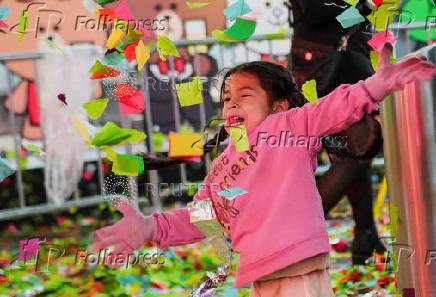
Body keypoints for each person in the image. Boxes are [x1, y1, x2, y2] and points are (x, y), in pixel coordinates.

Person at [91, 47, 435, 296]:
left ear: (278, 105)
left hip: (298, 265)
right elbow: (201, 218)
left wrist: (375, 86)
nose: (233, 104)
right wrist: (150, 227)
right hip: (261, 274)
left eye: (245, 95)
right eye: (227, 99)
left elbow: (332, 110)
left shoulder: (288, 126)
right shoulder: (221, 166)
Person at [288, 0, 386, 264]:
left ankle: (366, 238)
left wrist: (364, 7)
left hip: (339, 62)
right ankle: (296, 232)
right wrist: (364, 4)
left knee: (358, 153)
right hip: (326, 68)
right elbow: (315, 11)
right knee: (357, 154)